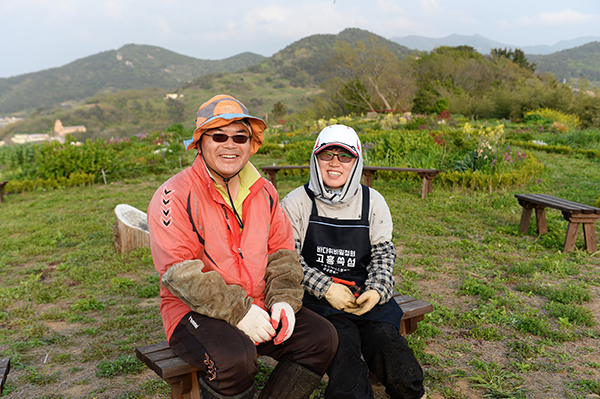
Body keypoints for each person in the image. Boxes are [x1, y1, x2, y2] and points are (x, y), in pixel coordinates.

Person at [147, 94, 338, 399]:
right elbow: (179, 273)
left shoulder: (265, 192)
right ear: (200, 142)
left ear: (252, 143)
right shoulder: (173, 194)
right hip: (194, 310)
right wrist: (239, 311)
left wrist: (284, 300)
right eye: (218, 135)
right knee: (234, 359)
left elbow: (282, 253)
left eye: (240, 137)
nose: (230, 144)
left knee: (321, 337)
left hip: (259, 304)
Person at [280, 124, 426, 399]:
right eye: (327, 155)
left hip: (362, 294)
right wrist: (326, 288)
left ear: (356, 162)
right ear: (315, 159)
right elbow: (288, 259)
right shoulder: (297, 202)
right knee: (341, 345)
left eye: (344, 156)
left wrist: (377, 290)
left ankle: (412, 393)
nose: (335, 163)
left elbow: (383, 253)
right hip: (318, 301)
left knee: (385, 339)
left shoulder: (373, 202)